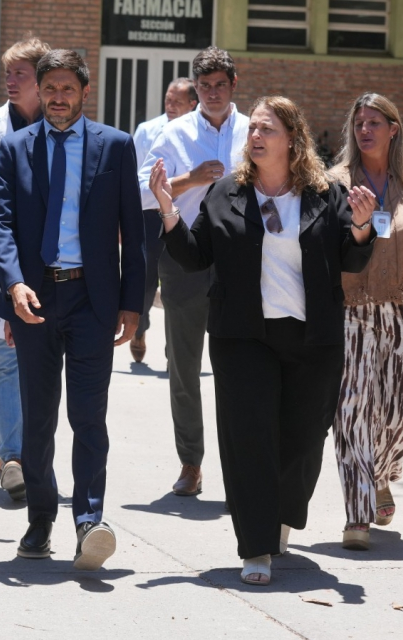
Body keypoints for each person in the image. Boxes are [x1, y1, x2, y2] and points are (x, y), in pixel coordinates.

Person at [151, 95, 377, 585]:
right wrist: (168, 211)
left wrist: (362, 227)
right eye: (252, 128)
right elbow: (194, 255)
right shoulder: (226, 192)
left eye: (267, 129)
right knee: (248, 439)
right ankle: (255, 546)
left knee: (303, 441)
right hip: (242, 338)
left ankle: (280, 515)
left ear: (292, 139)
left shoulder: (325, 195)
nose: (255, 136)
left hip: (311, 339)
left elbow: (352, 259)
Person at [0, 50, 146, 570]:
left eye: (68, 89)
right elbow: (0, 222)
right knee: (38, 419)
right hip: (34, 300)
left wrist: (132, 304)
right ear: (38, 91)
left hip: (92, 300)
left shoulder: (115, 146)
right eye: (50, 88)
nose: (58, 98)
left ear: (84, 92)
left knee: (88, 416)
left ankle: (88, 520)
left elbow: (133, 231)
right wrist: (13, 286)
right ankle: (39, 521)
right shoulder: (16, 147)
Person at [330, 93, 403, 551]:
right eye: (359, 123)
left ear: (393, 129)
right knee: (352, 409)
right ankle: (357, 513)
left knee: (399, 410)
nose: (365, 130)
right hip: (351, 309)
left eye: (374, 122)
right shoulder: (336, 182)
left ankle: (380, 473)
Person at [137, 47, 249, 497]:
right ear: (195, 89)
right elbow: (142, 192)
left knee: (240, 367)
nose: (213, 93)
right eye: (204, 86)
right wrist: (191, 179)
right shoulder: (174, 133)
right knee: (183, 365)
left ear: (234, 85)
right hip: (185, 255)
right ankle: (190, 462)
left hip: (242, 260)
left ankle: (240, 467)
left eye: (220, 85)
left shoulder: (253, 131)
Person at [0, 36, 51, 501]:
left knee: (41, 364)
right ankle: (13, 458)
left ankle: (34, 454)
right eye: (7, 73)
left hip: (51, 264)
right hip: (0, 258)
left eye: (20, 73)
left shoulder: (63, 125)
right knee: (5, 359)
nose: (10, 81)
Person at [129, 78, 197, 363]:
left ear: (192, 104)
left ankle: (175, 348)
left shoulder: (198, 134)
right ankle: (139, 328)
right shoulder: (147, 130)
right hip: (149, 215)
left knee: (180, 282)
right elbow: (132, 178)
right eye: (168, 99)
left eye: (177, 101)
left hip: (184, 215)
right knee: (145, 279)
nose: (170, 105)